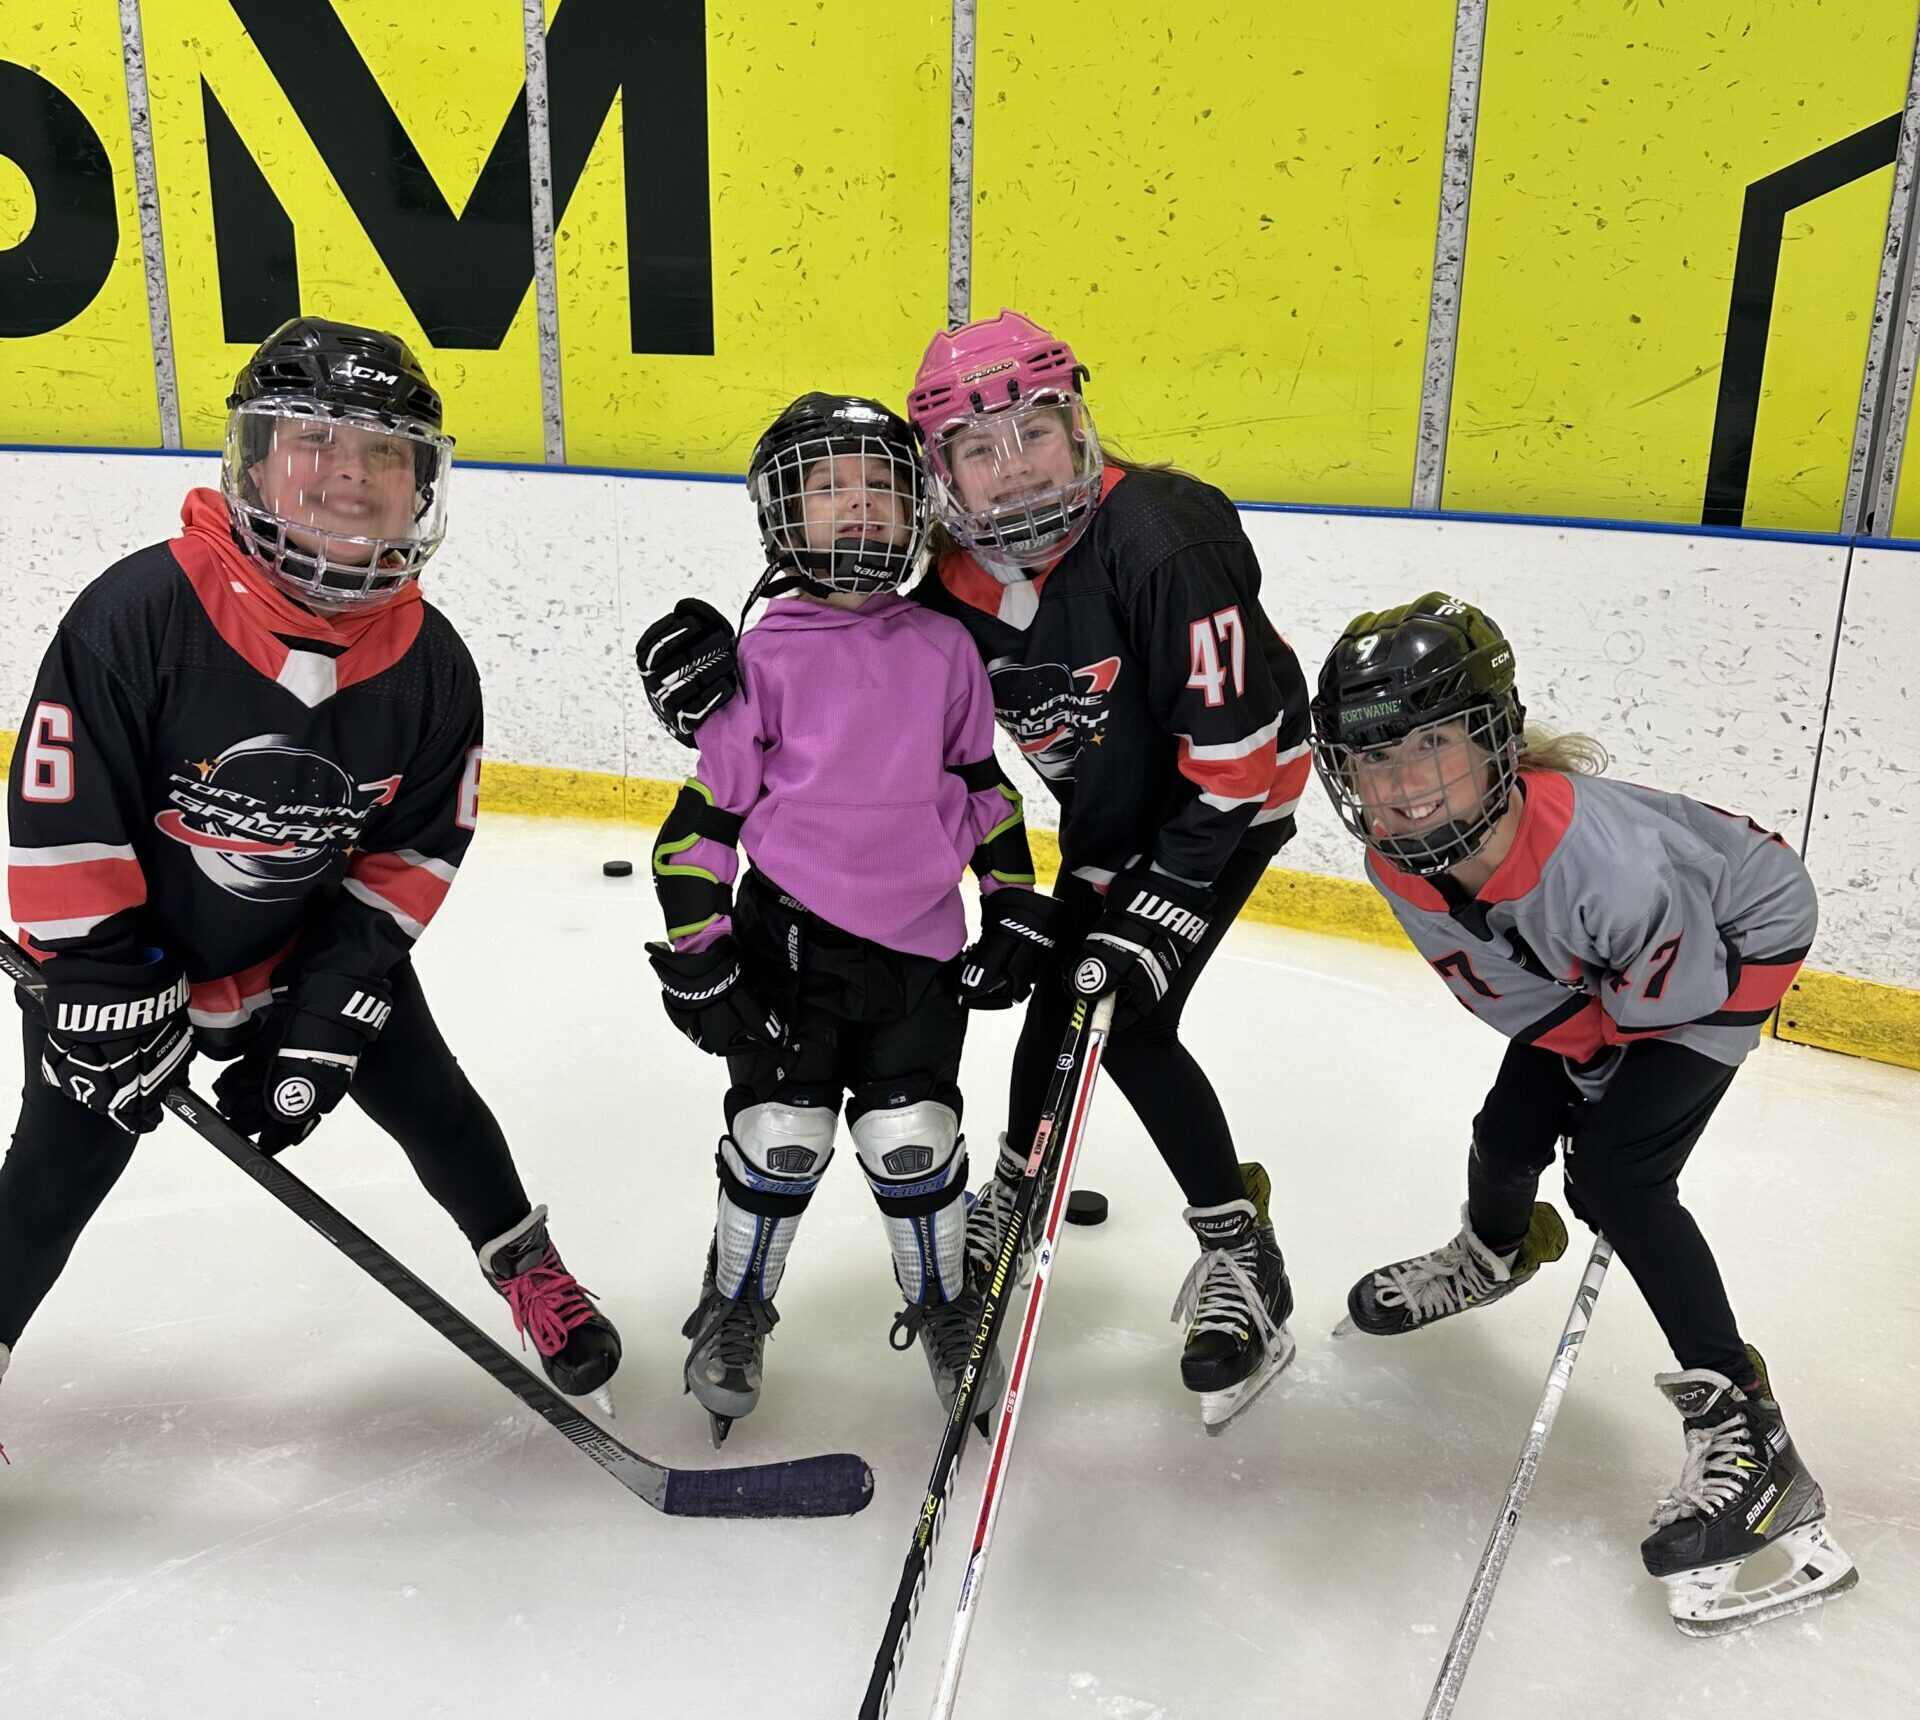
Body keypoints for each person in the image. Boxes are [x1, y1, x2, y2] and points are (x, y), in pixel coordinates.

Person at [638, 313, 1314, 1434]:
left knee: (1122, 1015)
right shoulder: (956, 576)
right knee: (1064, 1002)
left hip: (1225, 809)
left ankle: (1243, 1254)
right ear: (940, 473)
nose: (1016, 466)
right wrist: (714, 669)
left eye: (1037, 432)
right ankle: (1011, 1191)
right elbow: (843, 647)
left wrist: (1155, 904)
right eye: (979, 450)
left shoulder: (1162, 535)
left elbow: (1238, 759)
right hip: (1113, 819)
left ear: (1078, 422)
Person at [0, 317, 620, 1440]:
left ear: (419, 484)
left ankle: (526, 1264)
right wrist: (95, 977)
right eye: (315, 439)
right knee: (53, 1169)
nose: (349, 473)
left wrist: (334, 1011)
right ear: (253, 459)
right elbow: (60, 805)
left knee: (439, 1107)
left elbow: (412, 855)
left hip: (300, 955)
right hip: (131, 969)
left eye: (384, 453)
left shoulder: (432, 667)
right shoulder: (140, 615)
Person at [1308, 590, 1858, 1635]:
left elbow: (1680, 990)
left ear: (1492, 737)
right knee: (1510, 1129)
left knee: (1617, 1177)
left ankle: (1757, 1442)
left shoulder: (1606, 865)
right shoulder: (1398, 859)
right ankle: (1496, 1250)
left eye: (1430, 745)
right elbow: (1514, 998)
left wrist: (1609, 1084)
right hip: (1609, 968)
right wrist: (1583, 1056)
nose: (1402, 785)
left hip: (1734, 938)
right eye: (1372, 761)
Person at [642, 393, 1049, 1445]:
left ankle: (946, 1303)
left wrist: (1010, 903)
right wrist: (701, 953)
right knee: (781, 1137)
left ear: (918, 508)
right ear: (786, 515)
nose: (858, 509)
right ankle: (733, 1307)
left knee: (913, 1138)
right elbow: (701, 824)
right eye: (829, 489)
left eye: (880, 487)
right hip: (788, 947)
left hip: (919, 945)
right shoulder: (762, 657)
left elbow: (980, 787)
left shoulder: (946, 650)